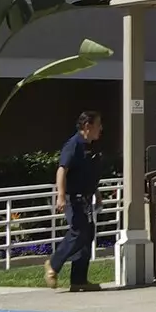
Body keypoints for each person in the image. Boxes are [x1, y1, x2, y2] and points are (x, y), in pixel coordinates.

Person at [45, 111, 104, 291]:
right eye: (98, 124)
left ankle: (78, 280)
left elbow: (87, 174)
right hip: (73, 198)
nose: (101, 128)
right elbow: (62, 170)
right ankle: (53, 264)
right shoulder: (74, 145)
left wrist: (97, 192)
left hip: (86, 198)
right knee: (78, 232)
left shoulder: (89, 146)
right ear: (87, 126)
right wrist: (61, 196)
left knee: (87, 235)